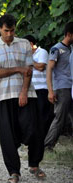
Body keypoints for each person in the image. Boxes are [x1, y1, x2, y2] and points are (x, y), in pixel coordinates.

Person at [0, 14, 46, 183]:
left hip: (26, 93)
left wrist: (24, 92)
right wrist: (18, 69)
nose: (10, 34)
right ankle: (14, 172)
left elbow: (28, 70)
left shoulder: (24, 44)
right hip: (3, 95)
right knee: (7, 136)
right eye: (6, 31)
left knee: (34, 128)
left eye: (12, 30)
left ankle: (34, 164)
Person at [44, 22, 73, 150]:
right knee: (60, 118)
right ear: (69, 34)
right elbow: (49, 69)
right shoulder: (56, 49)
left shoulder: (70, 50)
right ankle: (48, 146)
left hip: (70, 88)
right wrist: (50, 91)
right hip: (62, 88)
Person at [24, 35, 54, 140]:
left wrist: (29, 59)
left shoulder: (42, 52)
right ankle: (31, 138)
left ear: (31, 44)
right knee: (31, 115)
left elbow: (41, 67)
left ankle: (42, 139)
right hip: (31, 89)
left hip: (42, 89)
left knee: (42, 115)